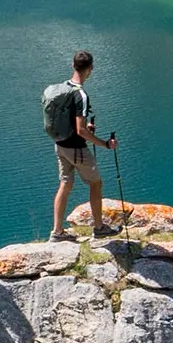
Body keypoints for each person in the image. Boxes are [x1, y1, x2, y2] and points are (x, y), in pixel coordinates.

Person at [48, 51, 121, 242]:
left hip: (60, 145)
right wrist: (104, 144)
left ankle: (57, 232)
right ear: (91, 69)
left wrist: (83, 128)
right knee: (96, 183)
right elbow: (81, 131)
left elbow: (69, 120)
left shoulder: (62, 88)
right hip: (77, 149)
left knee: (65, 184)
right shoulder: (81, 94)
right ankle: (99, 228)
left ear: (73, 66)